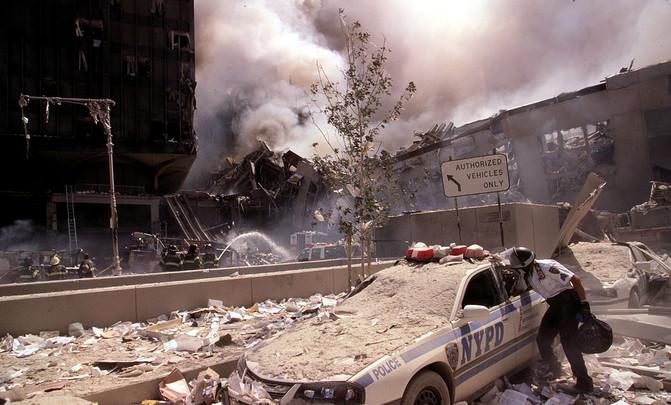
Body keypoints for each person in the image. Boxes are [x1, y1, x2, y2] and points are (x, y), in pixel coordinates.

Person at [509, 247, 593, 394]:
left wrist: (584, 304)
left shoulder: (547, 266)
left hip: (568, 303)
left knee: (569, 344)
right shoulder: (528, 275)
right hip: (555, 305)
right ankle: (555, 369)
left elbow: (576, 280)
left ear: (525, 264)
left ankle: (584, 383)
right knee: (542, 339)